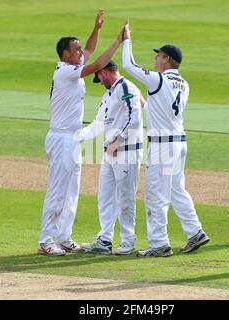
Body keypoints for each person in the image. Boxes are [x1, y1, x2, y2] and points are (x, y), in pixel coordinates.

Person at [38, 10, 127, 256]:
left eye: (79, 50)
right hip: (61, 138)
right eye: (76, 50)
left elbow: (89, 51)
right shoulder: (65, 71)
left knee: (72, 191)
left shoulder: (73, 64)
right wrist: (117, 42)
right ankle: (46, 240)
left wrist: (96, 30)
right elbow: (98, 64)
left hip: (74, 137)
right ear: (65, 54)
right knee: (57, 190)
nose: (80, 53)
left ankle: (64, 236)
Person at [122, 21, 210, 258]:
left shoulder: (158, 80)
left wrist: (126, 39)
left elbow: (128, 65)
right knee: (176, 190)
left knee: (156, 195)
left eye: (158, 56)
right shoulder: (184, 84)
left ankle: (159, 243)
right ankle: (195, 231)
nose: (155, 60)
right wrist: (144, 102)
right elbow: (161, 108)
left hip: (162, 145)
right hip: (179, 142)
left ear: (167, 60)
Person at [78, 60, 143, 255]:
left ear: (104, 72)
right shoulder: (108, 94)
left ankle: (128, 241)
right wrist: (76, 138)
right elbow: (99, 123)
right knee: (105, 196)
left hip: (127, 151)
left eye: (98, 76)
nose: (98, 80)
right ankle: (105, 240)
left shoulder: (126, 87)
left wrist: (118, 140)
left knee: (125, 198)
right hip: (111, 153)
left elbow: (135, 118)